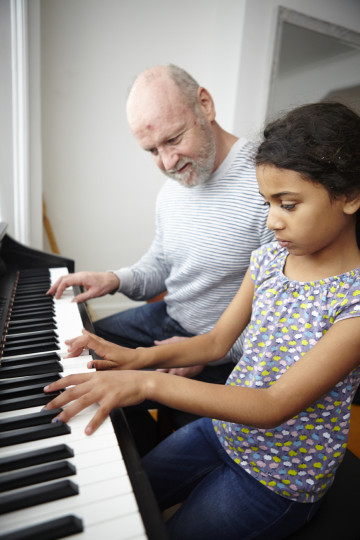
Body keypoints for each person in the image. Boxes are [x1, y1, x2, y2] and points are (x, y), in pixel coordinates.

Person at [44, 101, 360, 539]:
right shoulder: (270, 259)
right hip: (223, 432)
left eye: (287, 204)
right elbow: (214, 343)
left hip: (279, 476)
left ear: (349, 196)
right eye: (267, 203)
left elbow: (273, 406)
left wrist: (147, 383)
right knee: (127, 498)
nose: (272, 221)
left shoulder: (354, 303)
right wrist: (135, 358)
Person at [47, 64, 273, 451]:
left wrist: (203, 350)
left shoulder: (270, 183)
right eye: (152, 151)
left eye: (173, 140)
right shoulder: (173, 190)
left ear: (205, 105)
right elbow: (160, 267)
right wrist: (114, 279)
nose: (167, 163)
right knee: (79, 355)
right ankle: (138, 449)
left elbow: (279, 319)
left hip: (233, 353)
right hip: (172, 318)